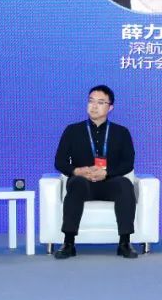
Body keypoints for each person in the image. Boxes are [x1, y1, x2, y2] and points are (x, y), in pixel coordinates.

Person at [53, 85, 138, 259]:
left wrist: (107, 173)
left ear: (110, 107)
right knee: (76, 183)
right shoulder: (72, 130)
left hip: (109, 183)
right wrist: (77, 171)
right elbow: (60, 161)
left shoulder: (121, 132)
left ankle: (125, 243)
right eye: (91, 101)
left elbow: (128, 163)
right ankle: (68, 243)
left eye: (100, 102)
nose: (94, 106)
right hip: (83, 183)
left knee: (125, 184)